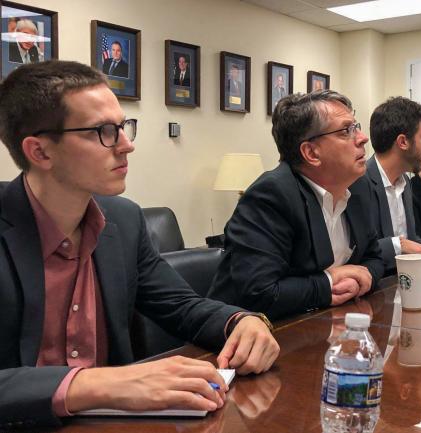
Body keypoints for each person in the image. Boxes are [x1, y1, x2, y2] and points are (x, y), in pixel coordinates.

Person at [0, 60, 279, 428]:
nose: (127, 145)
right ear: (40, 152)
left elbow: (182, 307)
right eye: (104, 131)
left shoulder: (124, 221)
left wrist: (241, 322)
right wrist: (94, 383)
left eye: (124, 127)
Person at [207, 90, 384, 320]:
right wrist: (330, 281)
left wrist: (365, 276)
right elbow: (259, 293)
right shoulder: (271, 196)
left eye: (356, 126)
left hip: (328, 326)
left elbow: (375, 257)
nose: (362, 138)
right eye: (346, 131)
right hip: (247, 337)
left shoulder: (359, 186)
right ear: (311, 152)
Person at [351, 96, 421, 276]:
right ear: (403, 142)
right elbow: (357, 251)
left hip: (407, 281)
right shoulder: (357, 182)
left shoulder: (405, 182)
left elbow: (410, 239)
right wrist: (401, 244)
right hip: (377, 287)